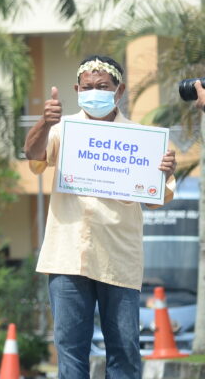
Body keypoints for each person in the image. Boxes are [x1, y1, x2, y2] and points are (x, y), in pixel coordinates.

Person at [25, 55, 176, 379]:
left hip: (118, 258)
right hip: (67, 257)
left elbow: (156, 201)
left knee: (124, 350)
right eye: (88, 87)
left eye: (103, 87)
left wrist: (163, 173)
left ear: (118, 91)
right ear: (77, 89)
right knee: (70, 351)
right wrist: (43, 123)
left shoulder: (143, 139)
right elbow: (34, 157)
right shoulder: (61, 128)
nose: (95, 92)